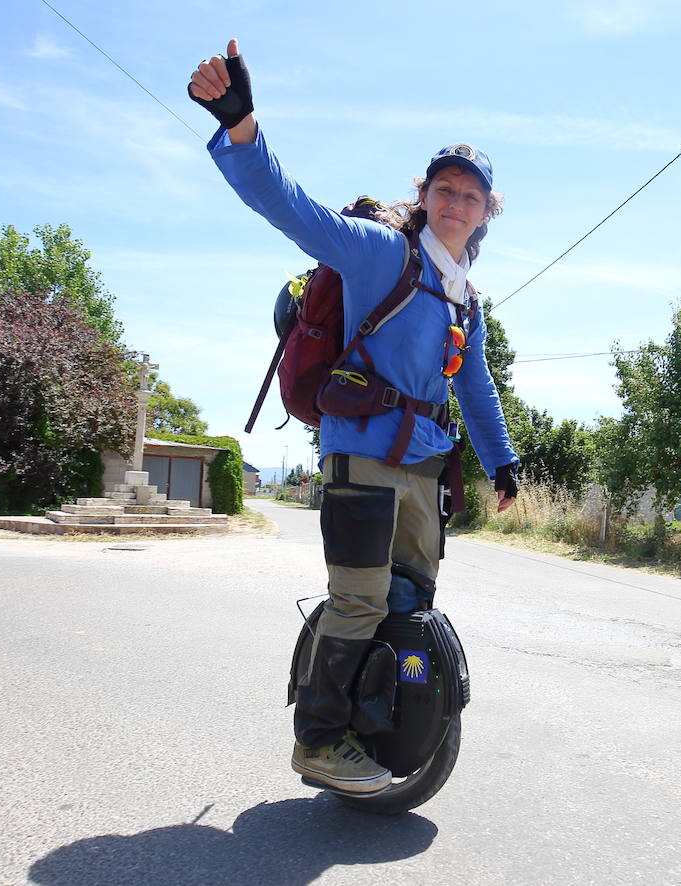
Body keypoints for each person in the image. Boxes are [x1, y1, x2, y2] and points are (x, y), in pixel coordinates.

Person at [189, 40, 520, 795]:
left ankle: (376, 727)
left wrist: (502, 460)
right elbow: (289, 205)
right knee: (360, 597)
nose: (456, 203)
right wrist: (241, 127)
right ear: (426, 195)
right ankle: (319, 741)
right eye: (445, 188)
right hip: (362, 456)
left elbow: (475, 385)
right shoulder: (379, 253)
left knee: (406, 604)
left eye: (471, 195)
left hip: (425, 469)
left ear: (485, 213)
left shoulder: (463, 295)